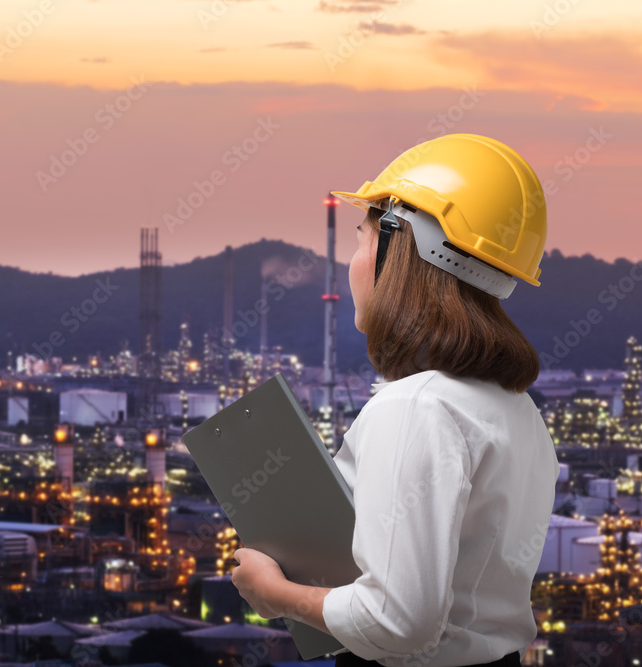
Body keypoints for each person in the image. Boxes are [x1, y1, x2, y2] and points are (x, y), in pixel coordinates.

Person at [230, 133, 560, 667]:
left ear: (397, 246)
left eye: (360, 242)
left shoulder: (414, 406)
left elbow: (400, 623)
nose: (352, 266)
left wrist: (276, 595)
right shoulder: (517, 409)